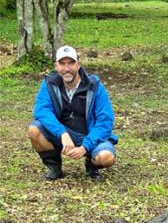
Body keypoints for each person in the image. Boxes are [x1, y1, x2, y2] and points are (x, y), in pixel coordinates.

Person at [27, 45, 118, 181]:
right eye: (62, 64)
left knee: (106, 158)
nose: (67, 69)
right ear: (56, 66)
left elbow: (105, 121)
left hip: (90, 135)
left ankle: (92, 164)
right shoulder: (49, 83)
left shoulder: (94, 86)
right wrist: (62, 133)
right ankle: (55, 168)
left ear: (78, 65)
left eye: (71, 63)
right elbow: (41, 110)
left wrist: (85, 146)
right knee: (34, 130)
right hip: (63, 135)